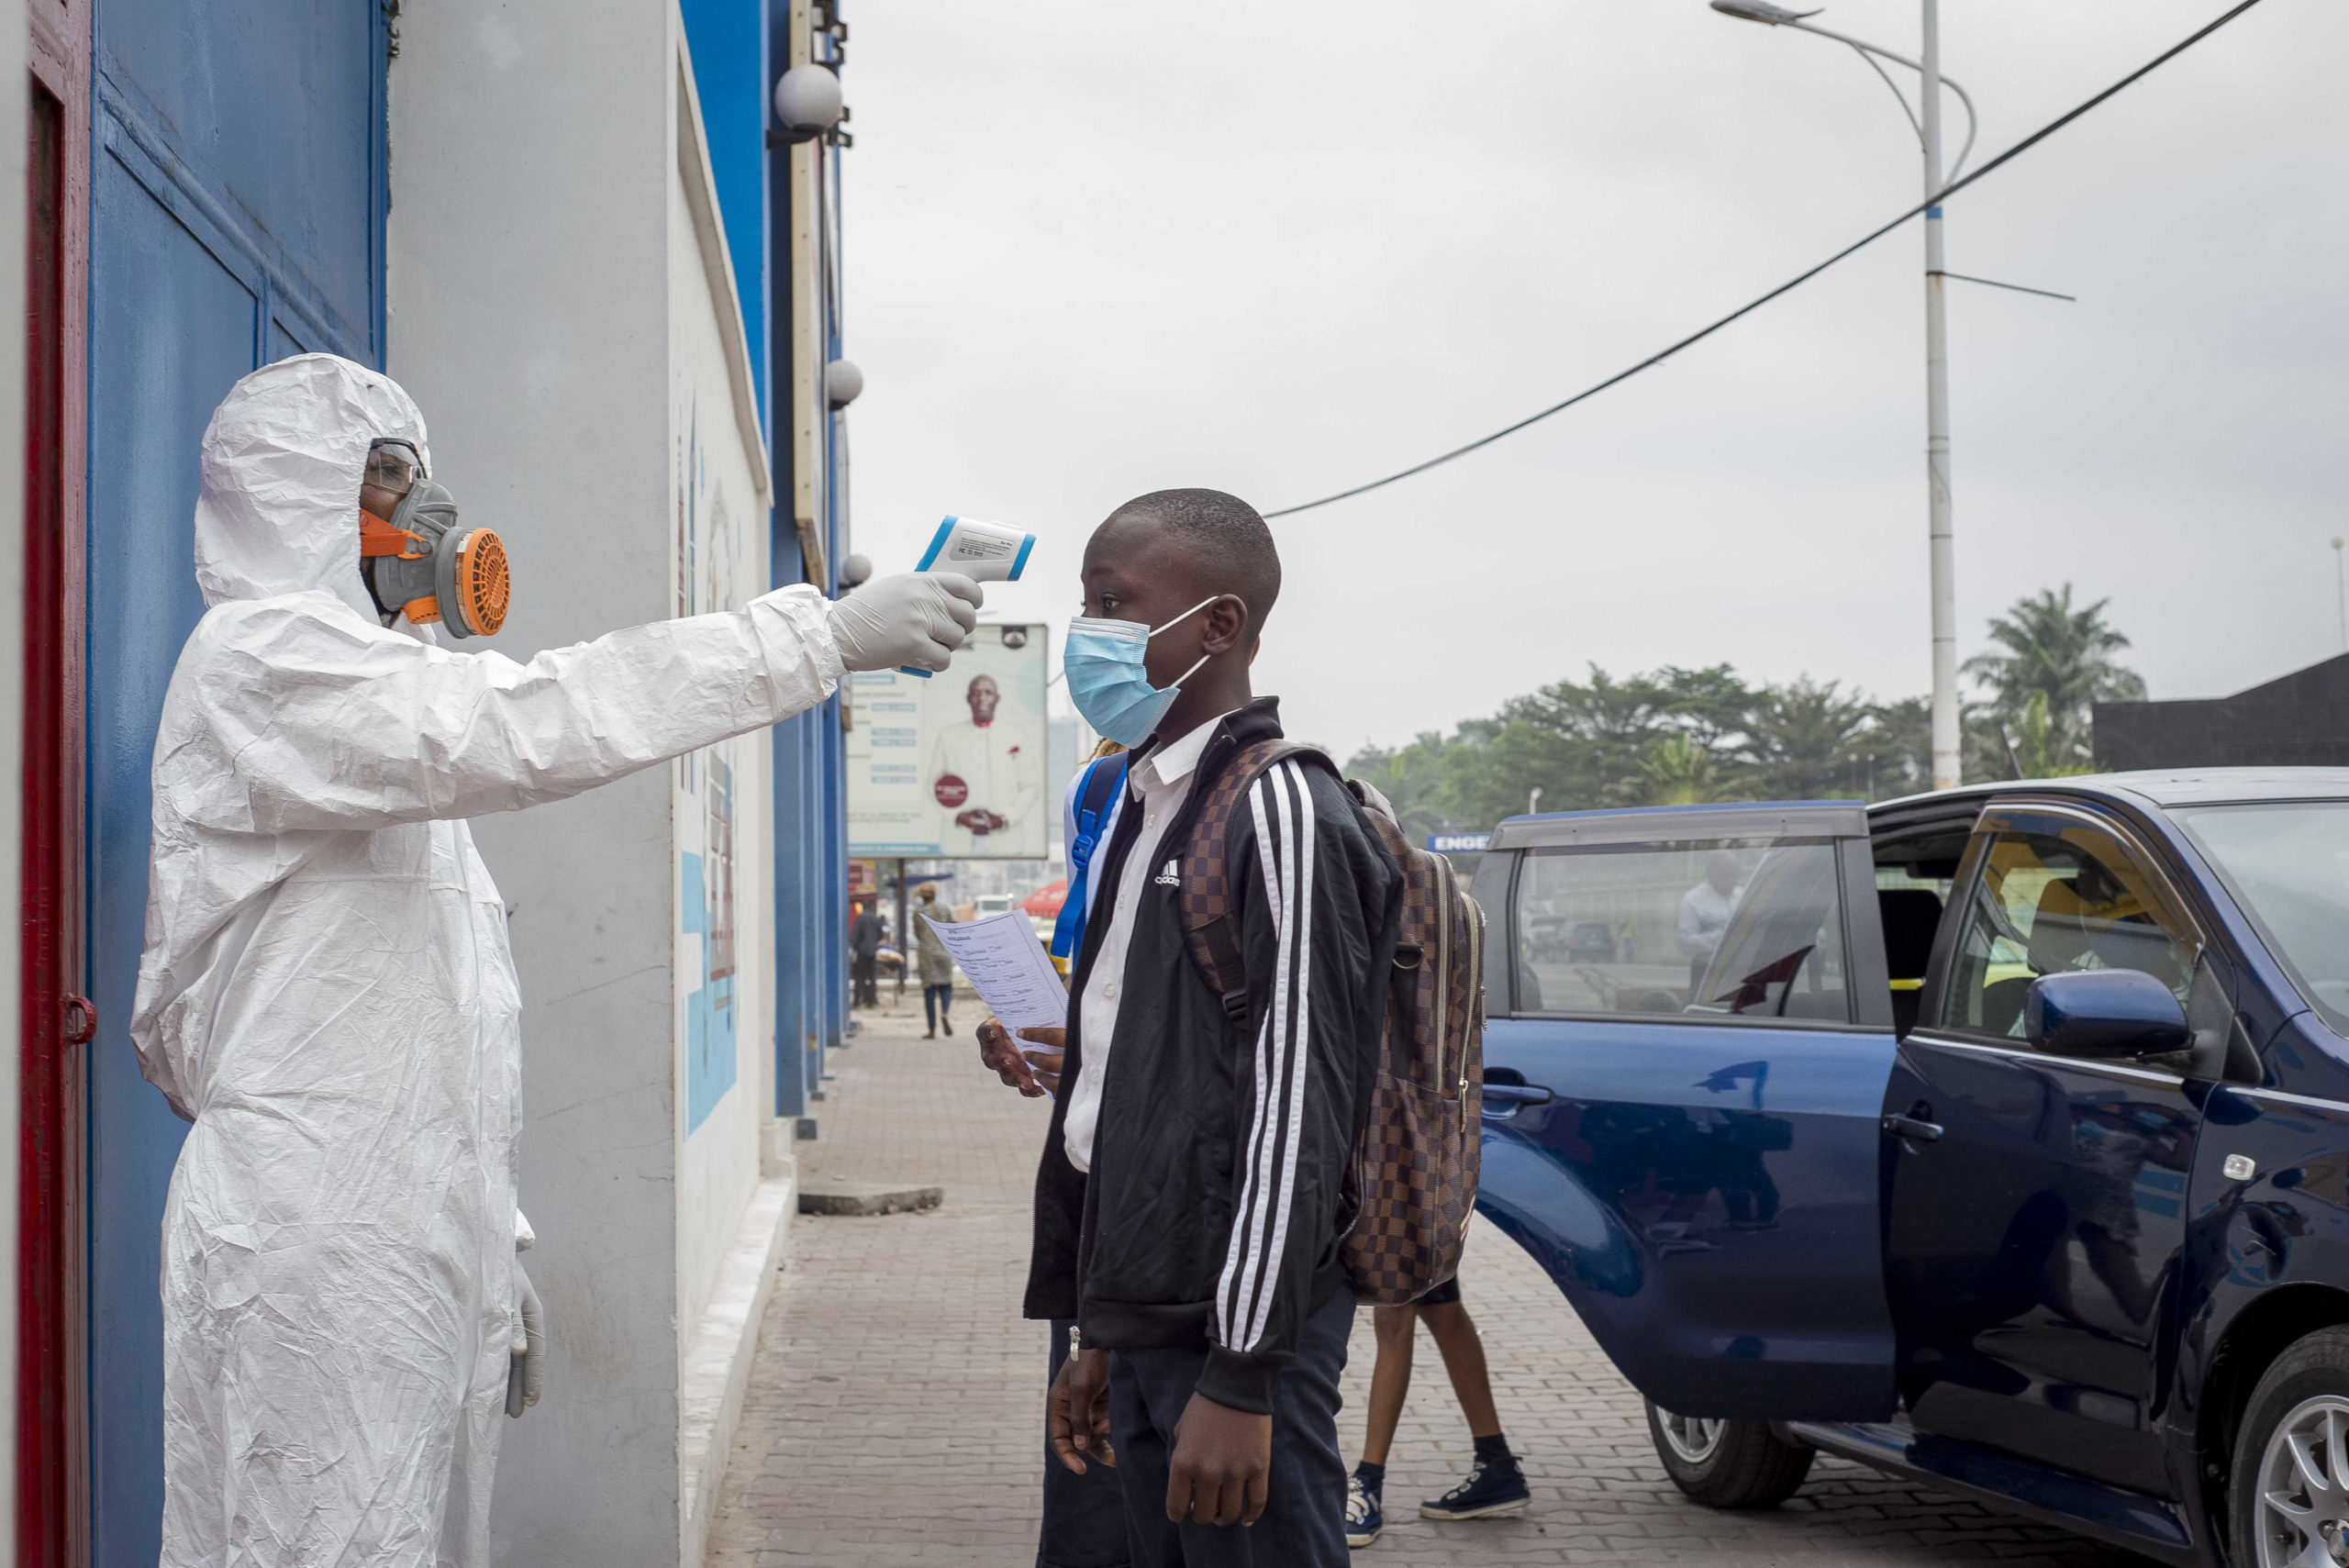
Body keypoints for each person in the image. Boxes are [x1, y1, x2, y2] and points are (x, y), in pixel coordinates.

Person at [127, 354, 981, 1566]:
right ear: (294, 496)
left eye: (416, 478)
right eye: (383, 478)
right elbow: (530, 721)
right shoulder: (263, 663)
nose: (421, 515)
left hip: (390, 1217)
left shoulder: (371, 701)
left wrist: (496, 1235)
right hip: (312, 1224)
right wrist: (815, 637)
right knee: (317, 1541)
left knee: (375, 1539)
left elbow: (445, 1019)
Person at [1018, 488, 1403, 1568]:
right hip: (1146, 1311)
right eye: (1084, 602)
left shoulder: (1279, 808)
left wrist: (1241, 1374)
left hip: (1234, 1331)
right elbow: (1142, 1084)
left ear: (1218, 625)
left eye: (1113, 602)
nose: (1088, 633)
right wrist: (1104, 1329)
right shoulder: (1146, 801)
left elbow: (1296, 1109)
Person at [1341, 1277, 1530, 1548]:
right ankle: (1496, 1462)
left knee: (1394, 1310)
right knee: (1442, 1307)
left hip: (1403, 1232)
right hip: (1432, 1232)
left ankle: (1369, 1481)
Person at [928, 671, 1042, 854]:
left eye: (988, 692)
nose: (982, 697)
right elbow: (934, 784)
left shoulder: (1016, 734)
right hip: (958, 841)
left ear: (997, 698)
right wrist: (958, 815)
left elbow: (1030, 786)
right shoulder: (948, 735)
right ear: (968, 698)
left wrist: (1005, 818)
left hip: (1006, 842)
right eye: (976, 693)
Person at [1676, 849, 1744, 995]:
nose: (1730, 880)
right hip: (1706, 970)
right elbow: (1685, 942)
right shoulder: (1692, 901)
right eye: (1723, 875)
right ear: (1710, 874)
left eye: (1733, 875)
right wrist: (1721, 939)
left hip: (1740, 969)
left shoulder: (1743, 897)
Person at [913, 881, 960, 1037]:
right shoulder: (944, 907)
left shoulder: (918, 912)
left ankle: (932, 1029)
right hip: (943, 951)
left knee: (929, 992)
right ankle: (945, 1012)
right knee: (946, 986)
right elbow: (954, 924)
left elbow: (918, 934)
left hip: (926, 954)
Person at [850, 897, 885, 1008]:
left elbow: (855, 935)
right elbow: (881, 935)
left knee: (859, 977)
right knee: (871, 977)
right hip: (872, 952)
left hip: (862, 952)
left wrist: (855, 948)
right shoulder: (875, 918)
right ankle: (871, 1001)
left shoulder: (860, 918)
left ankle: (857, 1001)